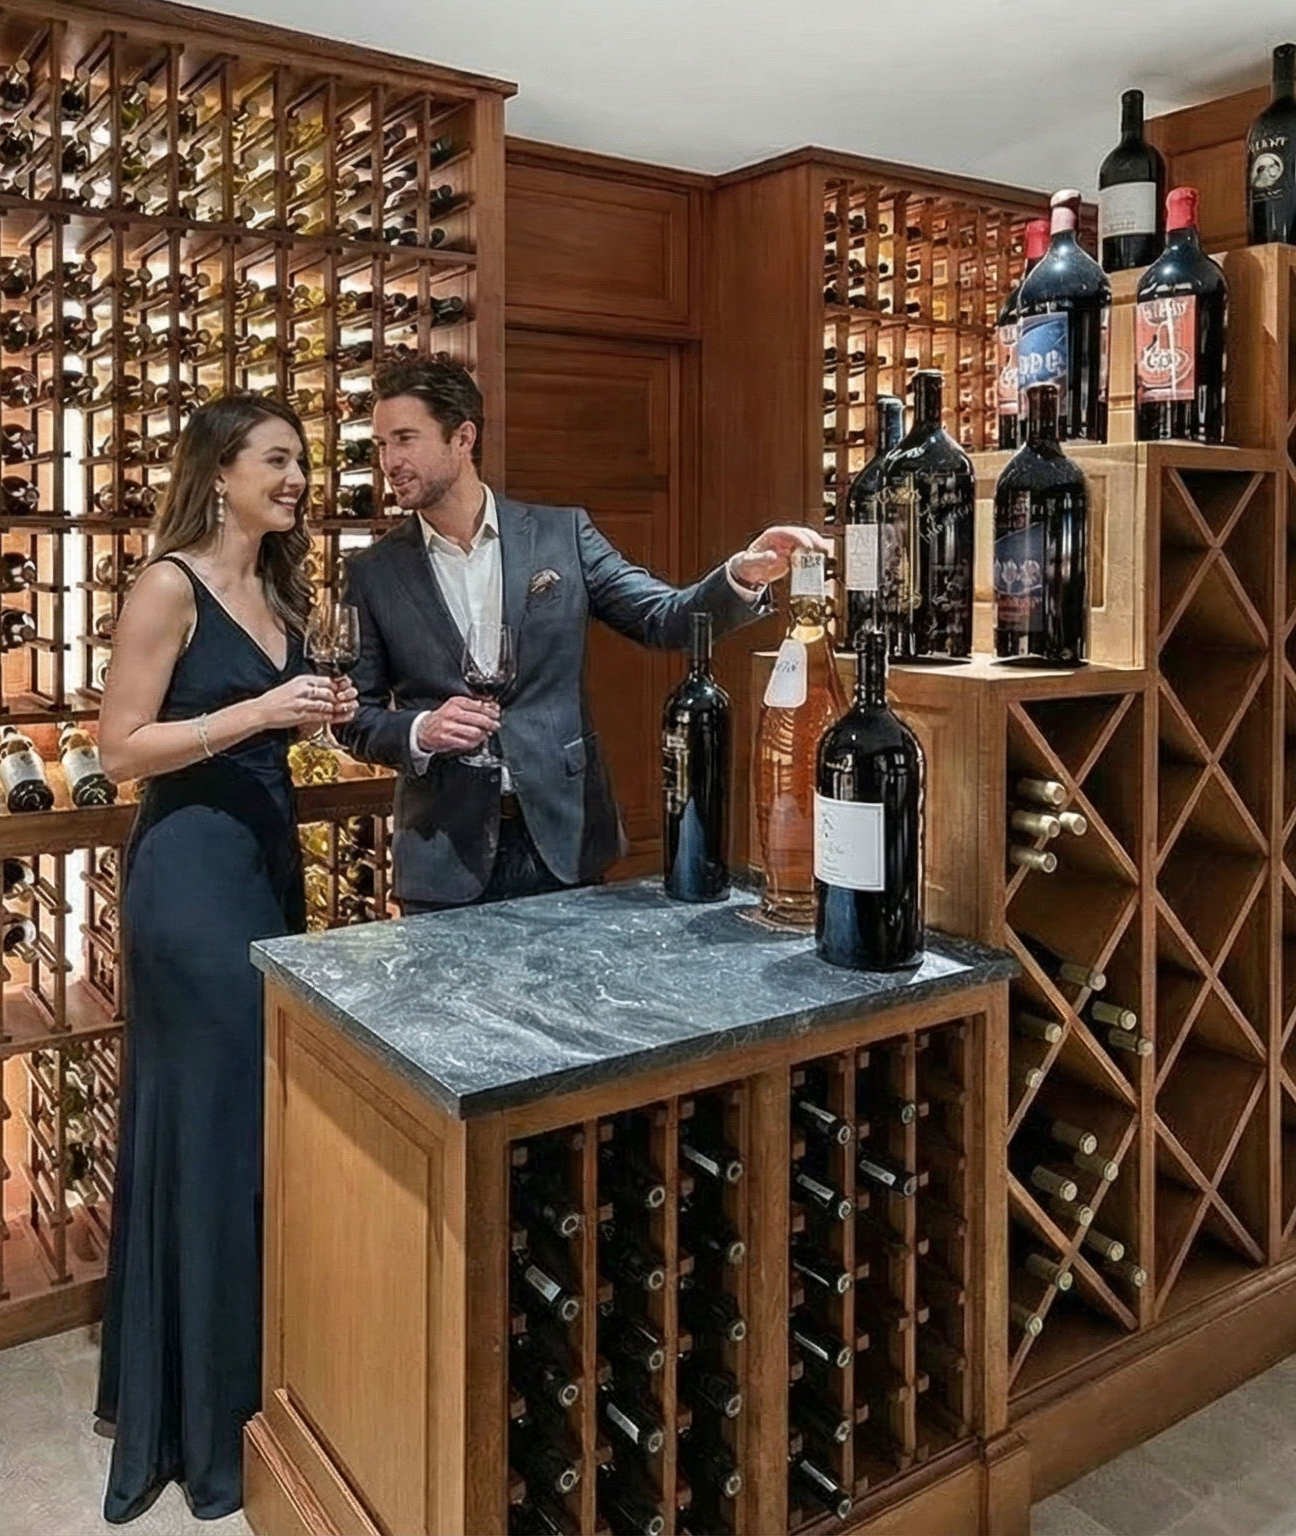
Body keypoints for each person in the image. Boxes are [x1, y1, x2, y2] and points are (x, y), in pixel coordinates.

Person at [89, 393, 353, 1523]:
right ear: (221, 470)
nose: (297, 478)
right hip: (191, 880)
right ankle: (199, 1426)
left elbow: (275, 717)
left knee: (248, 1134)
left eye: (300, 463)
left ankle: (243, 1387)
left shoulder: (279, 591)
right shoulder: (168, 585)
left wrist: (319, 713)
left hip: (264, 866)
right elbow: (118, 751)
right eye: (278, 460)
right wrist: (256, 715)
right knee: (210, 1129)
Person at [337, 353, 829, 912]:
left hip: (565, 840)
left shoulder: (562, 534)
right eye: (380, 445)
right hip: (443, 858)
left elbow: (663, 617)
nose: (389, 461)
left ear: (462, 437)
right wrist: (421, 729)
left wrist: (742, 572)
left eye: (405, 439)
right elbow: (355, 717)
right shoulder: (372, 573)